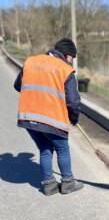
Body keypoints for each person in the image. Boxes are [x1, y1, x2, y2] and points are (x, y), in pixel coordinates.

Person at [14, 38, 83, 196]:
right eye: (72, 58)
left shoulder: (30, 61)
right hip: (51, 119)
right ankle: (67, 183)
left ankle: (49, 185)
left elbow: (18, 85)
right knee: (62, 149)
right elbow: (73, 101)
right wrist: (74, 119)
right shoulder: (65, 69)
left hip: (28, 117)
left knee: (45, 149)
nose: (71, 62)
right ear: (67, 55)